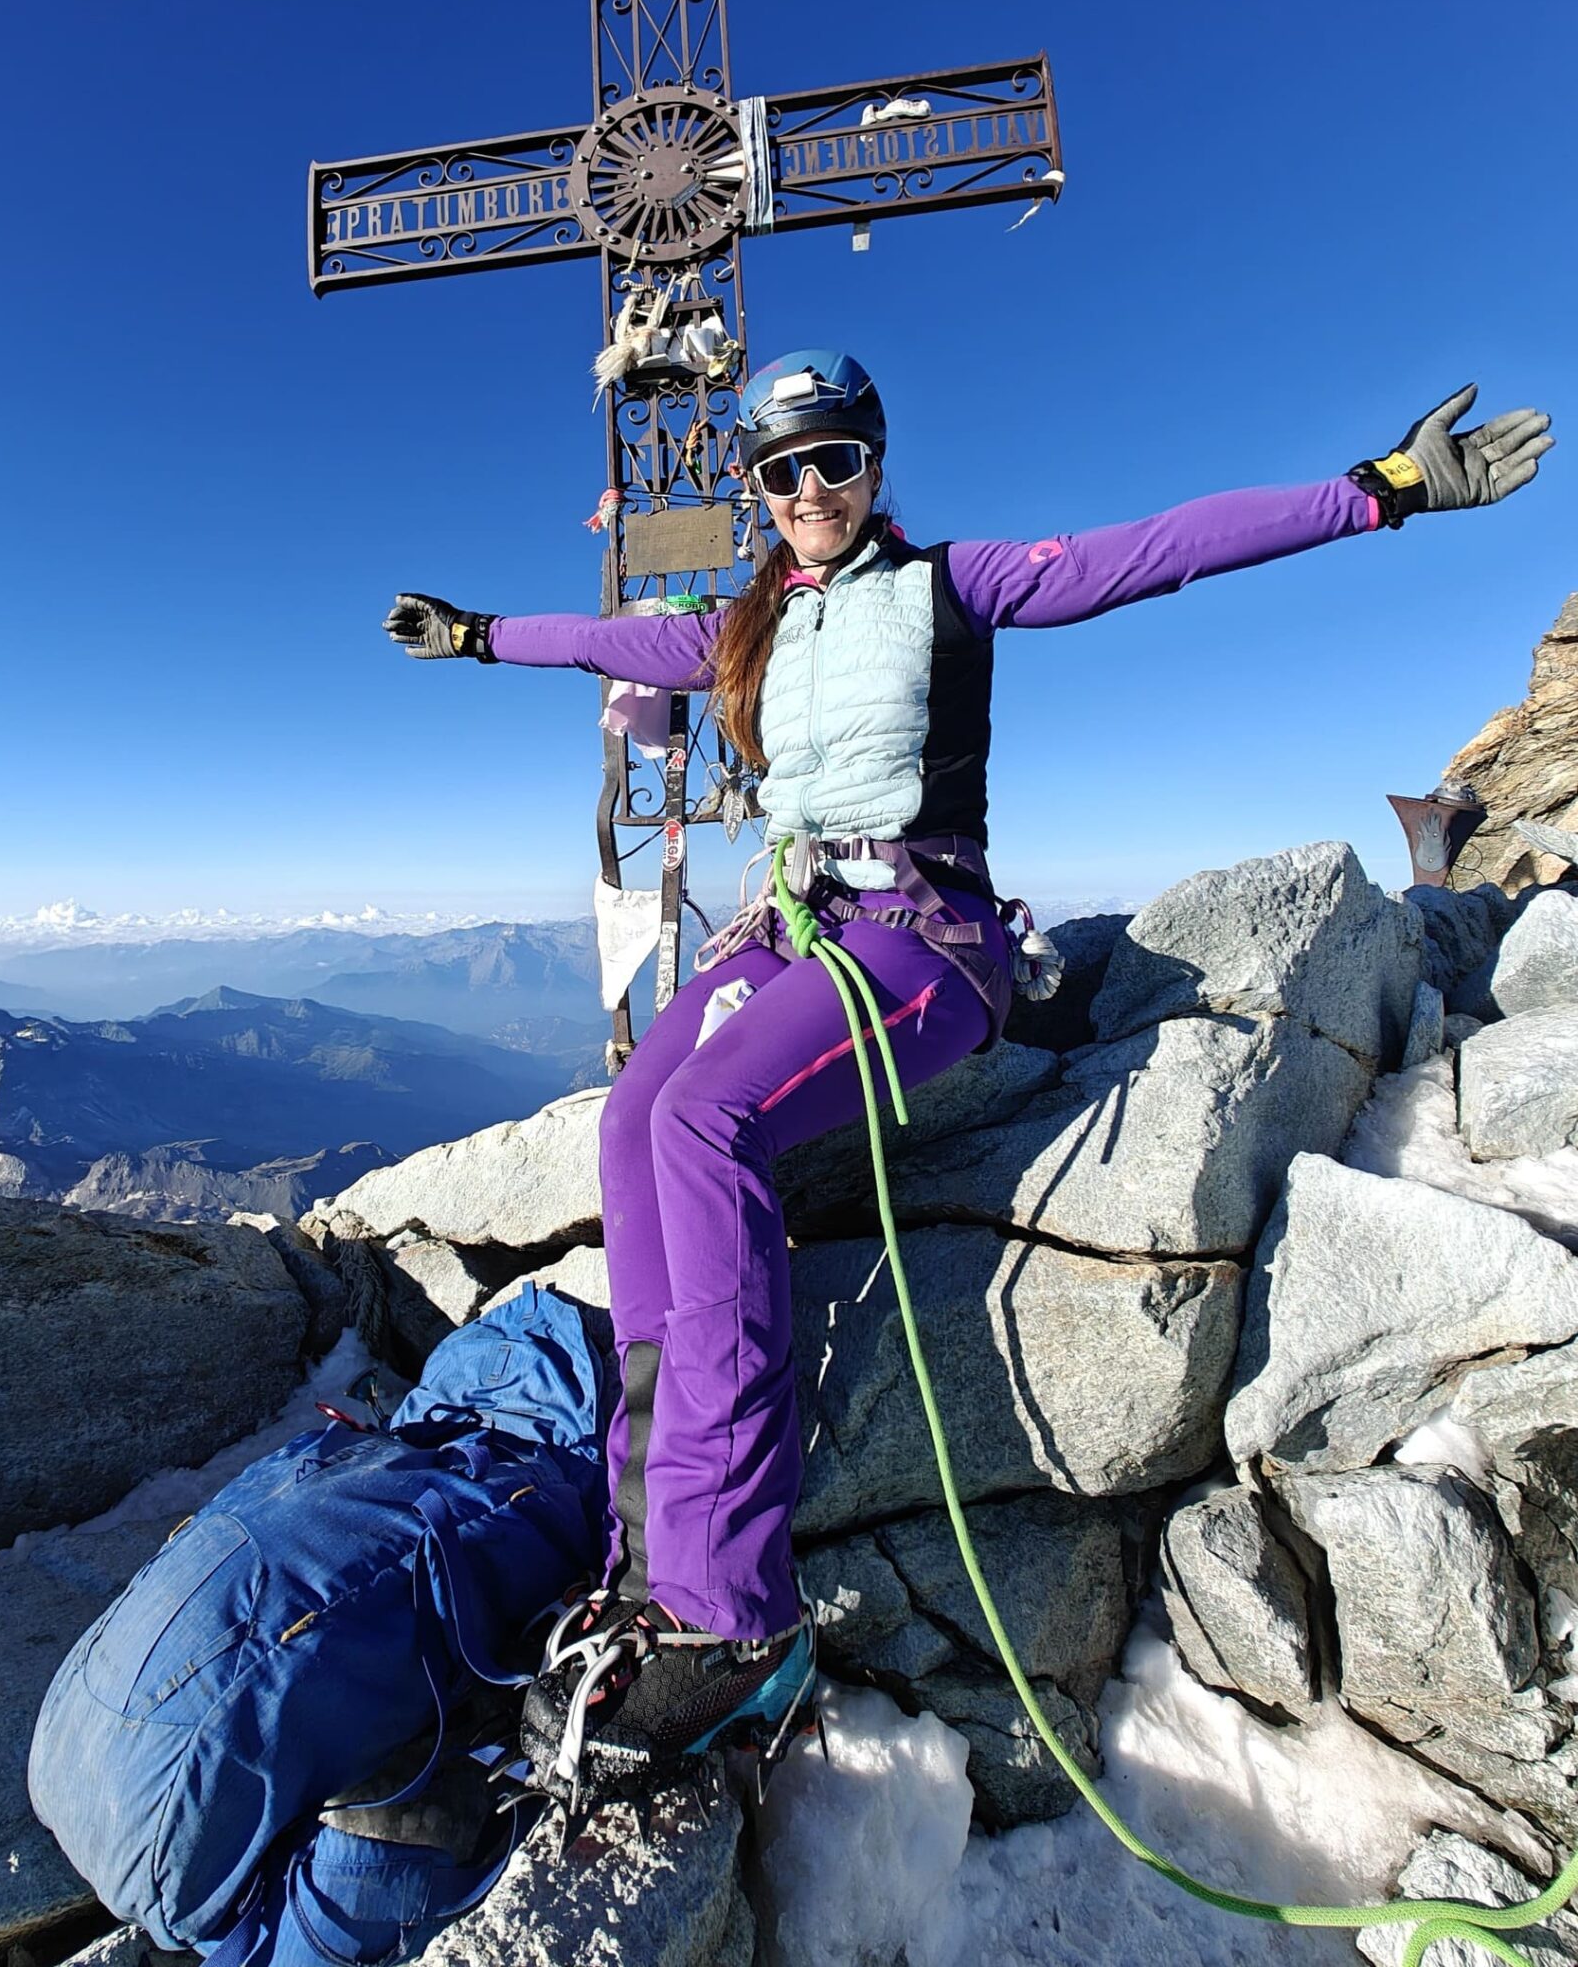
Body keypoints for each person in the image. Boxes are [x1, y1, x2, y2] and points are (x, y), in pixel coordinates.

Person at [384, 350, 1552, 1809]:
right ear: (755, 491)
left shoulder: (953, 587)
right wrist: (483, 634)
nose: (812, 492)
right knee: (632, 1128)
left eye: (840, 462)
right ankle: (649, 1544)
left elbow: (1157, 551)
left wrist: (1375, 492)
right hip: (792, 932)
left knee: (699, 1121)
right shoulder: (744, 629)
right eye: (784, 470)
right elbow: (609, 641)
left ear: (877, 466)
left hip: (923, 945)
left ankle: (737, 1612)